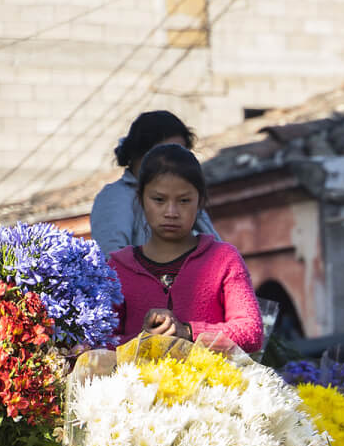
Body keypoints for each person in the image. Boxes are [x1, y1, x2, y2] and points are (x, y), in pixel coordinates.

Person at [107, 144, 262, 350]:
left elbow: (251, 332)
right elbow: (99, 344)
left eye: (184, 201)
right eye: (159, 200)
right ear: (141, 200)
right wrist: (142, 342)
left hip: (213, 382)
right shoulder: (118, 269)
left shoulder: (224, 259)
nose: (171, 212)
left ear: (200, 202)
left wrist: (189, 332)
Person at [90, 110, 219, 254]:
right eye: (159, 200)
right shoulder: (116, 196)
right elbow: (112, 260)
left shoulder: (189, 198)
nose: (171, 213)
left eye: (180, 154)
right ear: (139, 153)